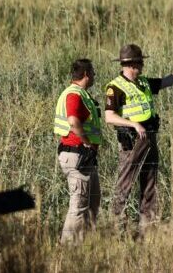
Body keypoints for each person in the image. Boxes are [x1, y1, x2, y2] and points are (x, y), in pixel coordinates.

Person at [103, 44, 173, 234]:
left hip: (150, 137)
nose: (143, 65)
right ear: (131, 64)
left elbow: (166, 81)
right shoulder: (115, 87)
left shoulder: (144, 83)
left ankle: (148, 228)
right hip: (132, 142)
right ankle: (116, 227)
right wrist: (134, 124)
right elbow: (109, 117)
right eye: (140, 62)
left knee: (149, 184)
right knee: (124, 185)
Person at [53, 58, 104, 243]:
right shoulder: (74, 94)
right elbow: (73, 121)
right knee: (79, 206)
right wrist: (87, 142)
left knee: (92, 203)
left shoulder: (81, 94)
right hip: (77, 154)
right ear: (86, 75)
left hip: (84, 157)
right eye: (93, 73)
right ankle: (67, 250)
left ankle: (85, 246)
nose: (95, 76)